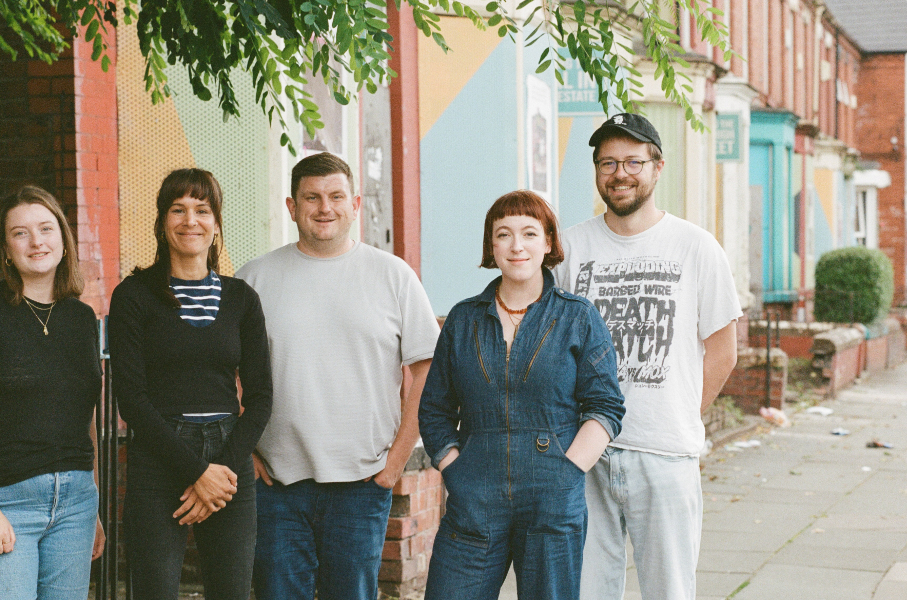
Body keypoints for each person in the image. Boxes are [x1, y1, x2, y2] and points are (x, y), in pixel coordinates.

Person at [553, 113, 741, 600]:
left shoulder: (695, 247)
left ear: (658, 167)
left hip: (665, 452)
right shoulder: (569, 248)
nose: (621, 173)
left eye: (634, 161)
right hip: (585, 455)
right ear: (596, 172)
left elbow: (723, 351)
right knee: (586, 590)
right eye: (608, 162)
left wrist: (679, 413)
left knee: (670, 590)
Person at [236, 152, 441, 600]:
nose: (324, 207)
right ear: (292, 206)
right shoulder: (254, 278)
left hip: (363, 483)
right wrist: (244, 448)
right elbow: (226, 372)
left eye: (335, 196)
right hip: (276, 484)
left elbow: (426, 373)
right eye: (311, 197)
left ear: (355, 204)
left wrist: (398, 459)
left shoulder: (393, 276)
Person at [417, 191, 625, 600]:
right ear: (491, 246)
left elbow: (606, 406)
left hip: (552, 495)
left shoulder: (576, 316)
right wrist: (456, 471)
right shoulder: (463, 319)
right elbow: (435, 409)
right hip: (474, 495)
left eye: (530, 233)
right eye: (504, 234)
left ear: (548, 242)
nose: (516, 246)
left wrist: (568, 473)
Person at [108, 168, 273, 600]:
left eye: (202, 210)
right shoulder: (134, 295)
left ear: (216, 223)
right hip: (159, 455)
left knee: (231, 592)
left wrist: (222, 472)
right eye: (178, 209)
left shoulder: (241, 298)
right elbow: (132, 400)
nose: (190, 221)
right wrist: (196, 471)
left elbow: (260, 398)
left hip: (229, 457)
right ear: (163, 221)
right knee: (154, 591)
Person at [0, 185, 105, 600]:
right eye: (21, 233)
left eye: (46, 228)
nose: (36, 242)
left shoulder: (83, 319)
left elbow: (85, 420)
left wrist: (94, 504)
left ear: (63, 240)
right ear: (6, 249)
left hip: (75, 506)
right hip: (5, 500)